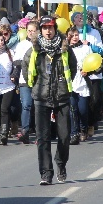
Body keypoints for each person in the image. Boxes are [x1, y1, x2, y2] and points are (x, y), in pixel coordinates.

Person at [22, 16, 77, 185]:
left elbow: (72, 69)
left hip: (61, 97)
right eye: (44, 28)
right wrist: (38, 86)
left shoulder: (65, 48)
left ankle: (61, 164)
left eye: (50, 27)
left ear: (55, 29)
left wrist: (61, 84)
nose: (48, 31)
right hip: (41, 97)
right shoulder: (34, 50)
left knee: (65, 136)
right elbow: (26, 70)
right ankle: (46, 173)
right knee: (43, 138)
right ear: (41, 30)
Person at [13, 20, 38, 144]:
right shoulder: (22, 44)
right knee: (26, 105)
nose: (31, 33)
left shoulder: (41, 44)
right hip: (25, 80)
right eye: (29, 31)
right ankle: (25, 131)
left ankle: (40, 133)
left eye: (34, 31)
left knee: (38, 107)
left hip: (39, 80)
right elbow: (16, 62)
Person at [66, 26, 91, 145]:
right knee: (72, 109)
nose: (75, 37)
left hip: (83, 83)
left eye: (76, 35)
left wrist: (88, 71)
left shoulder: (85, 48)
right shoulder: (65, 50)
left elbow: (94, 64)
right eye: (72, 35)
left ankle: (83, 129)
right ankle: (73, 132)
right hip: (70, 83)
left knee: (83, 110)